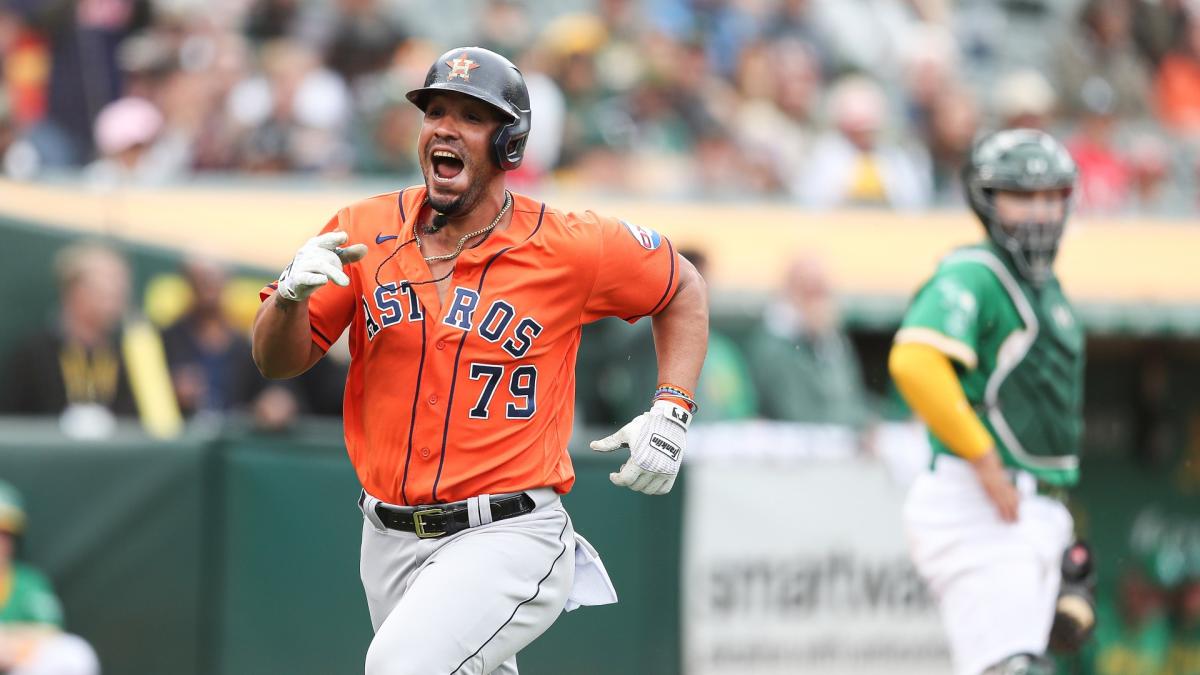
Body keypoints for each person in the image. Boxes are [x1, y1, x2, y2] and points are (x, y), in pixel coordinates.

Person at [250, 47, 708, 674]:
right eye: (435, 110)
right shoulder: (364, 227)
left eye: (470, 116)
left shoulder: (569, 244)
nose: (444, 126)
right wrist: (288, 302)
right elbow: (278, 362)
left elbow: (681, 285)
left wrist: (673, 407)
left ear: (510, 143)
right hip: (386, 537)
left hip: (509, 532)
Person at [889, 129, 1090, 675]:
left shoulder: (1044, 284)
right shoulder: (976, 270)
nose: (1041, 211)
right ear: (986, 198)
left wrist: (1062, 533)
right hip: (976, 496)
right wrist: (982, 456)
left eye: (1051, 196)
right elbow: (914, 361)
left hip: (1027, 504)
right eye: (1022, 196)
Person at [0, 241, 180, 439]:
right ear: (75, 289)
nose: (117, 299)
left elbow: (155, 426)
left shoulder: (130, 355)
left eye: (120, 290)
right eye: (106, 290)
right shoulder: (33, 353)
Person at [0, 480, 100, 675]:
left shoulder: (28, 582)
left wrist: (8, 641)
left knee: (74, 652)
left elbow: (47, 633)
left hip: (17, 666)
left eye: (4, 534)